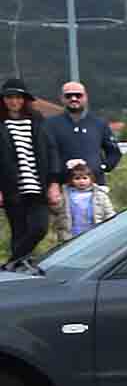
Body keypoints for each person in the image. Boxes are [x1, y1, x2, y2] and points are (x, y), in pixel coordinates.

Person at [1, 77, 58, 267]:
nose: (14, 101)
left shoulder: (37, 120)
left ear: (24, 99)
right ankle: (18, 269)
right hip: (11, 188)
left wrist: (54, 182)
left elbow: (51, 150)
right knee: (19, 231)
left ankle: (11, 264)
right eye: (9, 97)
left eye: (18, 97)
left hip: (37, 185)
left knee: (39, 228)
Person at [50, 81, 121, 184]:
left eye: (78, 95)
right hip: (63, 186)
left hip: (95, 185)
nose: (74, 98)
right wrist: (53, 181)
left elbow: (114, 152)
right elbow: (47, 155)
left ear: (86, 97)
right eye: (68, 96)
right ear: (62, 98)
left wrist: (102, 167)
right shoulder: (50, 124)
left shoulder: (99, 124)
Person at [52, 157, 115, 240]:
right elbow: (57, 210)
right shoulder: (66, 194)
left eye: (85, 178)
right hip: (71, 234)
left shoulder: (99, 194)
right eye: (77, 178)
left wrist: (111, 226)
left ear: (91, 179)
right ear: (71, 180)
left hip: (95, 232)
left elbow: (109, 212)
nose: (81, 181)